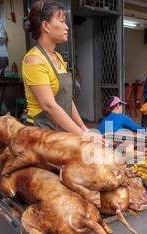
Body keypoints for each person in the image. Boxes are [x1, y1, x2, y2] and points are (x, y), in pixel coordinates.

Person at [22, 0, 92, 136]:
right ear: (46, 26)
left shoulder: (58, 57)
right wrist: (83, 135)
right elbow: (49, 105)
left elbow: (67, 99)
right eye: (61, 21)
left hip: (59, 131)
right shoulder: (34, 60)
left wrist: (84, 129)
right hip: (41, 133)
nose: (66, 27)